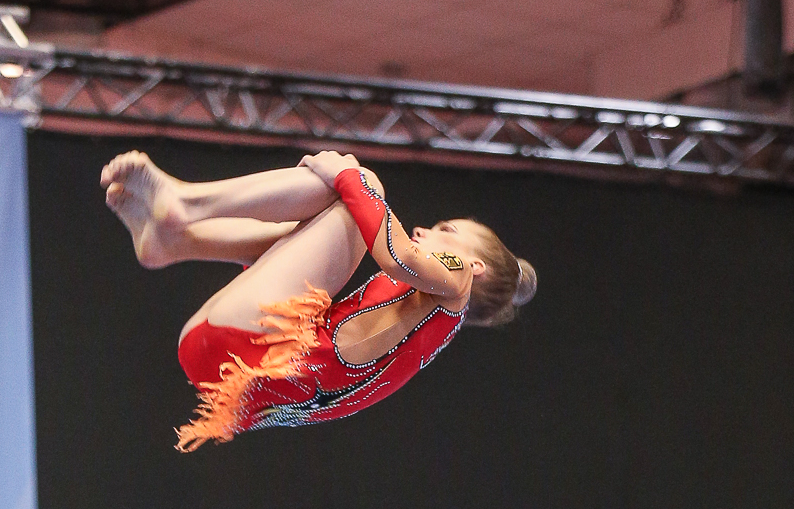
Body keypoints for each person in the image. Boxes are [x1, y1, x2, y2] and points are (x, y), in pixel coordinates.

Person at [100, 147, 536, 450]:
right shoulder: (426, 323)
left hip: (253, 346)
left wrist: (348, 176)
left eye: (447, 231)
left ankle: (187, 203)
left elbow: (398, 255)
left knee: (364, 188)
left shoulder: (457, 276)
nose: (426, 230)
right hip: (226, 374)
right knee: (320, 223)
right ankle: (177, 241)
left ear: (476, 265)